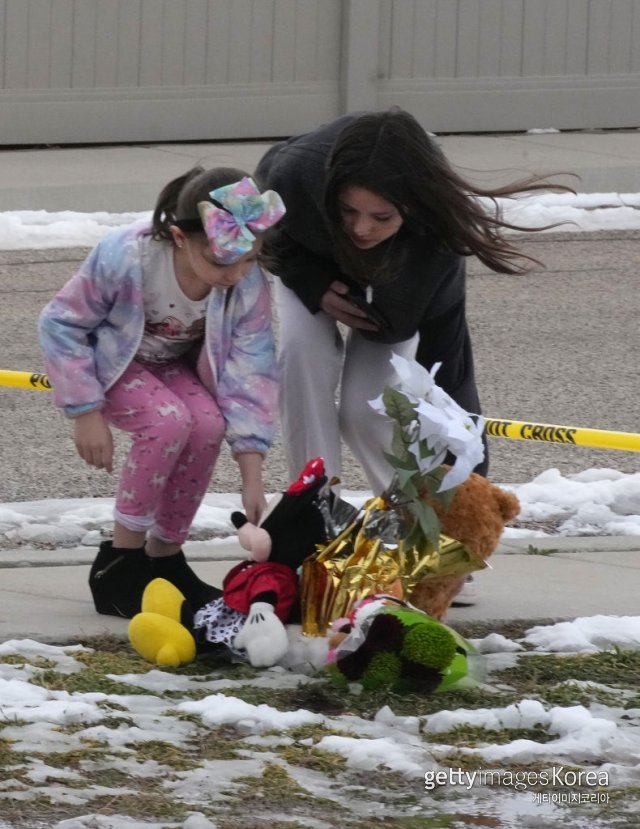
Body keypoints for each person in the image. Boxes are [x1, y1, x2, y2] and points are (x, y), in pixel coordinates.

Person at [255, 108, 566, 495]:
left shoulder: (437, 243)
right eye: (348, 210)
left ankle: (413, 516)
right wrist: (308, 279)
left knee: (368, 408)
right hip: (306, 258)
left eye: (381, 217)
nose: (361, 228)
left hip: (392, 292)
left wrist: (468, 476)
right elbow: (259, 224)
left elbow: (448, 367)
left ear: (412, 208)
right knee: (302, 354)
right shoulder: (295, 174)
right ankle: (315, 506)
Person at [39, 167, 286, 619]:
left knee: (207, 423)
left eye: (249, 260)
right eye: (220, 262)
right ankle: (121, 562)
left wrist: (253, 472)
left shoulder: (245, 283)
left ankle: (164, 558)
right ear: (178, 236)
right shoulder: (126, 256)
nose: (235, 275)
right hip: (109, 364)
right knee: (168, 420)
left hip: (167, 367)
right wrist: (85, 410)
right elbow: (61, 324)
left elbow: (251, 370)